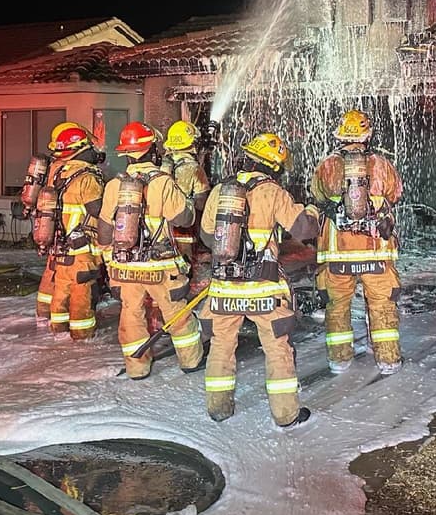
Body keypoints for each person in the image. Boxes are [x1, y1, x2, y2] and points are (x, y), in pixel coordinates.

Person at [198, 132, 321, 428]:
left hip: (225, 287)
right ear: (273, 165)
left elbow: (205, 236)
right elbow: (303, 230)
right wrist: (313, 211)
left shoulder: (221, 190)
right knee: (277, 347)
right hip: (264, 289)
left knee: (221, 344)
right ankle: (286, 414)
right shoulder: (272, 191)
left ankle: (219, 408)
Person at [96, 121, 204, 378]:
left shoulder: (114, 186)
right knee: (176, 311)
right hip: (160, 266)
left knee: (131, 316)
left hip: (125, 267)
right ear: (152, 149)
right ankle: (191, 361)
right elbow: (185, 219)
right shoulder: (162, 183)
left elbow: (103, 231)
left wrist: (109, 261)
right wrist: (186, 201)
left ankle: (137, 368)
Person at [310, 110, 404, 375]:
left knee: (338, 307)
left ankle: (340, 361)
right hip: (376, 251)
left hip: (338, 255)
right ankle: (388, 361)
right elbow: (396, 194)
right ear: (367, 135)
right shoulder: (382, 164)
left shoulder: (327, 165)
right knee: (382, 306)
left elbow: (316, 195)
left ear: (340, 135)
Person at [42, 122, 106, 340]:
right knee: (81, 292)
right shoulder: (87, 178)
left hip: (60, 244)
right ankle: (82, 336)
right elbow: (98, 211)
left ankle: (57, 333)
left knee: (61, 289)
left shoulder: (56, 172)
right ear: (81, 148)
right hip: (82, 248)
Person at [160, 120, 212, 265]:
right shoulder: (194, 169)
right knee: (185, 270)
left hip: (160, 231)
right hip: (184, 232)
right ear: (192, 143)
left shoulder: (160, 166)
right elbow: (201, 203)